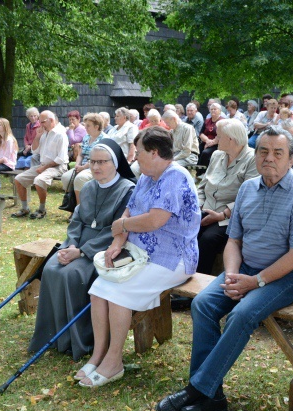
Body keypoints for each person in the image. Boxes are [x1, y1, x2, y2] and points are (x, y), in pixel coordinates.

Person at [156, 125, 293, 411]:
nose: (269, 158)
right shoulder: (247, 188)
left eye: (278, 153)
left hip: (289, 276)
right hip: (244, 269)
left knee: (242, 314)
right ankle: (213, 397)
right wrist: (232, 275)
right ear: (256, 155)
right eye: (263, 151)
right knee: (203, 304)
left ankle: (197, 390)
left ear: (290, 160)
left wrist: (255, 282)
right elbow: (234, 240)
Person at [76, 127, 200, 387]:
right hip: (141, 253)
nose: (135, 158)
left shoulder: (175, 176)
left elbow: (155, 220)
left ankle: (114, 361)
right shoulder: (146, 175)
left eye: (139, 152)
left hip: (173, 259)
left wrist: (121, 228)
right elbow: (128, 213)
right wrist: (116, 243)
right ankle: (99, 354)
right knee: (98, 289)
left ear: (154, 153)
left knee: (118, 292)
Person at [29, 140, 136, 361]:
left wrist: (82, 252)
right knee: (51, 269)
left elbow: (116, 230)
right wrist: (70, 245)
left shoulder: (127, 189)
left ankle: (78, 340)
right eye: (92, 161)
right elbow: (76, 220)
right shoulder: (88, 187)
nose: (95, 167)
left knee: (71, 274)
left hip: (106, 248)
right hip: (77, 244)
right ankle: (55, 335)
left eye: (101, 162)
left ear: (115, 163)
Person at [196, 119, 258, 274]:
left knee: (207, 240)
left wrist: (222, 215)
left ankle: (199, 284)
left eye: (219, 136)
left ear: (231, 139)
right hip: (206, 208)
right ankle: (182, 277)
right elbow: (202, 186)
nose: (216, 139)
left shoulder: (252, 159)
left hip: (229, 217)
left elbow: (248, 197)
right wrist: (198, 205)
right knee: (185, 230)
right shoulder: (217, 155)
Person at [12, 110, 69, 219]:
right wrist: (37, 137)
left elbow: (61, 159)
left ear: (51, 120)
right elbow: (35, 151)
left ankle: (42, 210)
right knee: (19, 179)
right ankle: (25, 208)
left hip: (58, 166)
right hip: (43, 165)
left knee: (39, 180)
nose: (40, 125)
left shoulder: (61, 134)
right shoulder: (45, 132)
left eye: (43, 122)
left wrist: (44, 167)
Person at [61, 113, 106, 205]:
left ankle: (80, 210)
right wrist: (77, 165)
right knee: (65, 177)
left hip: (96, 168)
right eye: (85, 125)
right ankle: (72, 206)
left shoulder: (104, 139)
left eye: (88, 126)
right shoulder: (86, 137)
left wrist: (83, 167)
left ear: (96, 126)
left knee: (80, 178)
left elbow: (98, 159)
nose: (85, 128)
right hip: (82, 166)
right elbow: (80, 154)